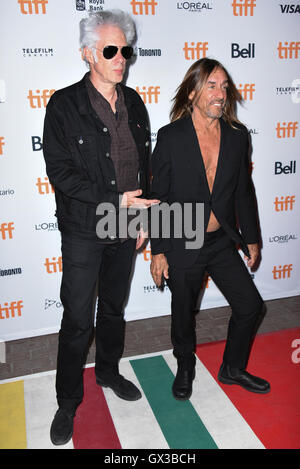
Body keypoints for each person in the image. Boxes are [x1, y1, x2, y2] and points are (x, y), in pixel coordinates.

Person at [43, 10, 158, 445]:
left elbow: (143, 169)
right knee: (76, 318)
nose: (120, 58)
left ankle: (108, 372)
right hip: (83, 227)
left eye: (125, 49)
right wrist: (115, 202)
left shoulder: (136, 102)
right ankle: (67, 400)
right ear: (88, 54)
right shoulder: (64, 105)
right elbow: (62, 173)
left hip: (128, 222)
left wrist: (143, 213)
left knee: (113, 308)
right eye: (111, 50)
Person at [150, 58, 270, 401]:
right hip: (182, 239)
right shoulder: (171, 137)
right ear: (192, 93)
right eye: (212, 86)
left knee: (250, 306)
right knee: (184, 313)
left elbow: (243, 191)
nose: (221, 94)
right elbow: (159, 198)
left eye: (224, 86)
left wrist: (251, 238)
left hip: (220, 241)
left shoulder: (236, 135)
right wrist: (158, 250)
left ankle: (232, 367)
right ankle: (185, 365)